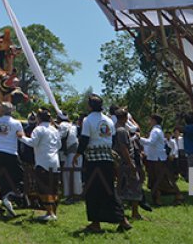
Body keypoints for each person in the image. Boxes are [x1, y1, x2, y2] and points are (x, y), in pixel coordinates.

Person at [74, 94, 131, 233]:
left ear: (90, 106)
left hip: (93, 160)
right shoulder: (109, 120)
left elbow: (84, 139)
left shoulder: (88, 120)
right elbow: (111, 138)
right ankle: (122, 219)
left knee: (93, 191)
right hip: (107, 158)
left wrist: (77, 154)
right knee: (109, 189)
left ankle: (95, 223)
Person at [20, 108, 61, 221]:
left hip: (43, 161)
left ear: (39, 118)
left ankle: (49, 212)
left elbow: (33, 143)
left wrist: (21, 137)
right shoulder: (55, 129)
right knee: (53, 188)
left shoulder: (38, 129)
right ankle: (54, 212)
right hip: (55, 161)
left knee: (43, 188)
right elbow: (59, 145)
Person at [140, 115, 183, 206]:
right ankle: (158, 198)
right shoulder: (157, 130)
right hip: (155, 158)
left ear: (154, 120)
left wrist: (139, 138)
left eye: (150, 119)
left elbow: (151, 142)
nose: (149, 121)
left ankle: (177, 194)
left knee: (160, 180)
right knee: (156, 179)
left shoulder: (155, 131)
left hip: (157, 158)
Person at [0, 102, 25, 217]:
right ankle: (12, 195)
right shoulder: (16, 123)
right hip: (11, 152)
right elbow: (21, 136)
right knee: (19, 175)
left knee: (3, 177)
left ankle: (6, 198)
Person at [113, 109, 144, 220]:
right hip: (126, 162)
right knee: (135, 185)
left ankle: (121, 213)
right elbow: (123, 148)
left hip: (121, 162)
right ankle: (135, 213)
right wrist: (131, 164)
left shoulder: (117, 128)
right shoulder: (121, 130)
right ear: (126, 118)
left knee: (121, 187)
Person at [57, 112, 79, 204]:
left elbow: (59, 137)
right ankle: (75, 194)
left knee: (68, 174)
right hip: (74, 151)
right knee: (75, 174)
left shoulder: (62, 125)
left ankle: (71, 196)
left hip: (69, 152)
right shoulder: (72, 125)